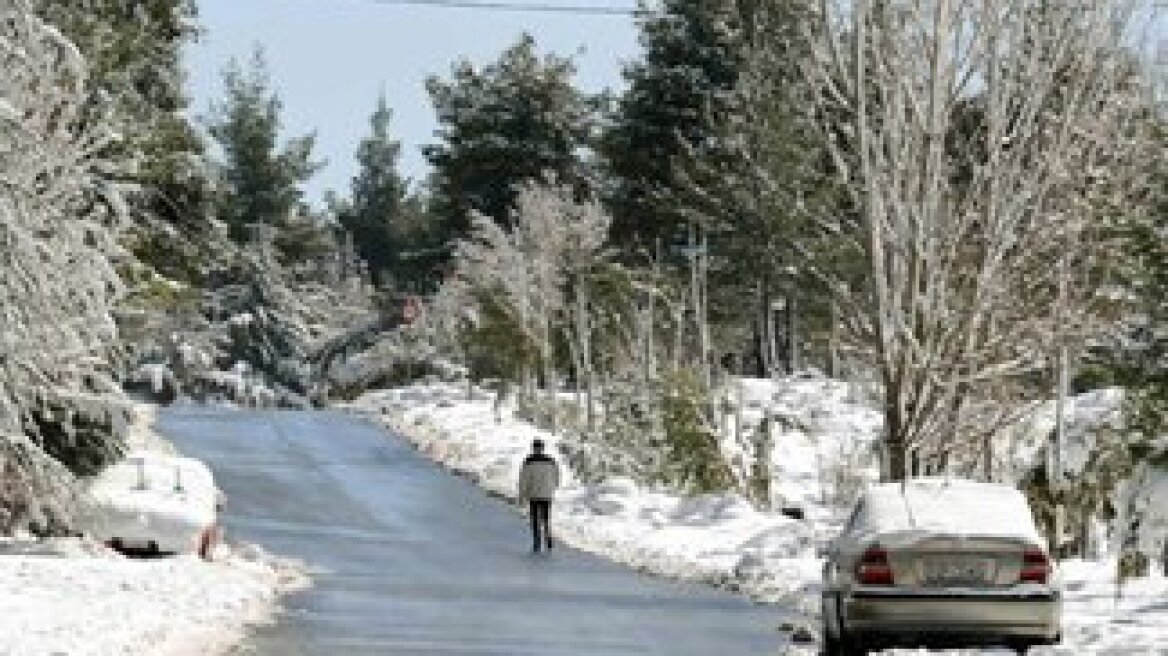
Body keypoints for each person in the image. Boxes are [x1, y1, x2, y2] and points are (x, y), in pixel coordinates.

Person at [517, 439, 560, 553]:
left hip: (534, 494)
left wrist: (522, 496)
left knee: (535, 519)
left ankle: (537, 542)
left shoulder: (528, 462)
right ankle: (548, 539)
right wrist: (552, 488)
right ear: (542, 448)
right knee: (546, 518)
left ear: (533, 448)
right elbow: (556, 478)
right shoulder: (551, 461)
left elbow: (523, 481)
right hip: (547, 494)